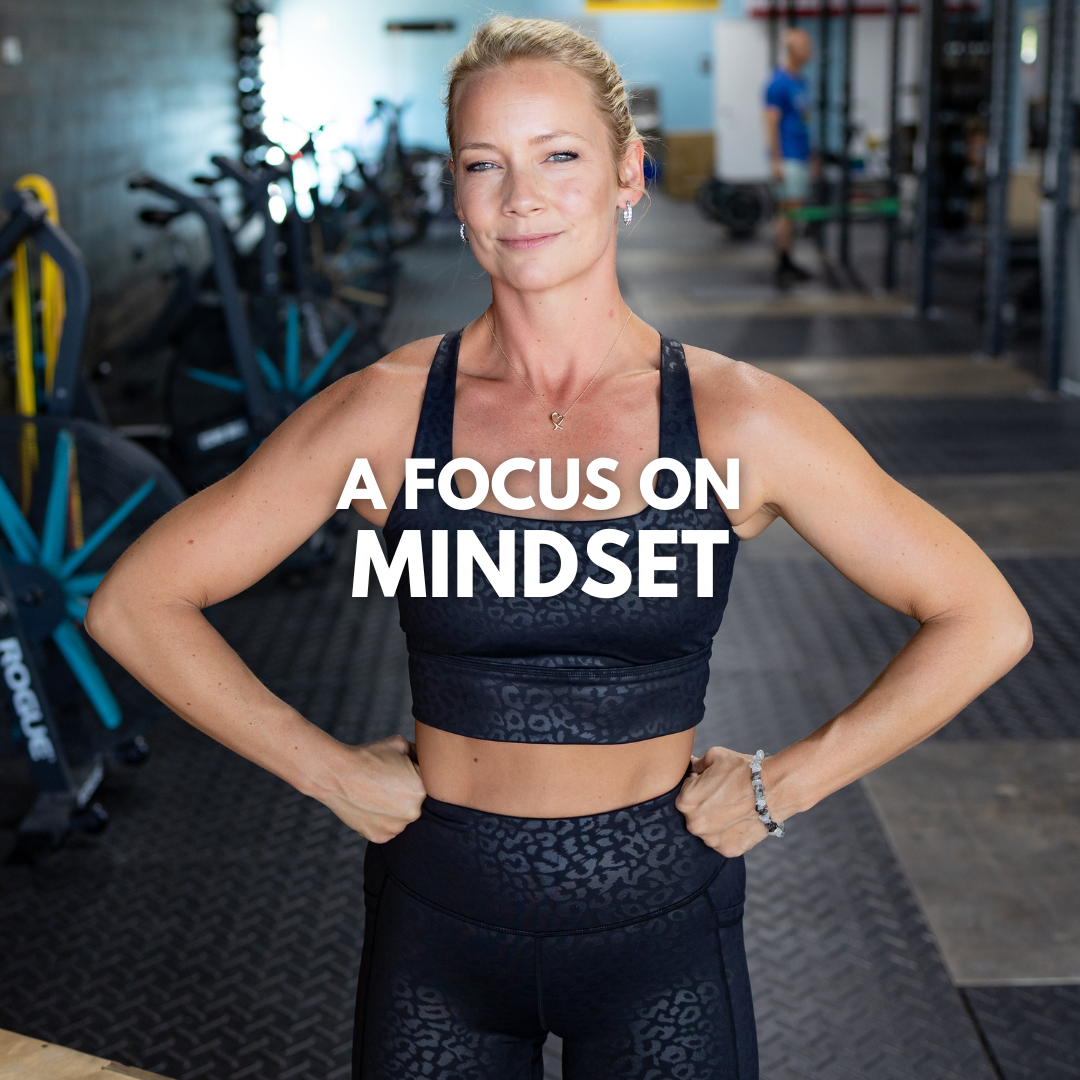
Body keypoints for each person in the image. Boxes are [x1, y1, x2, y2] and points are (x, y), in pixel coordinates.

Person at [86, 16, 1031, 1080]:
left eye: (560, 155)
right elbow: (137, 602)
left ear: (630, 173)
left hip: (665, 928)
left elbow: (982, 617)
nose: (521, 197)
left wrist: (790, 783)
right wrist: (323, 771)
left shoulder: (737, 419)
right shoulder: (385, 415)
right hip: (438, 925)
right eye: (484, 163)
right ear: (456, 194)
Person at [765, 28, 815, 285]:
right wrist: (776, 161)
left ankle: (788, 260)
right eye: (805, 46)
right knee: (788, 212)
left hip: (800, 155)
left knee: (793, 212)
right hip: (788, 158)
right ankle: (782, 264)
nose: (810, 51)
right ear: (793, 51)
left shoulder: (800, 81)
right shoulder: (778, 83)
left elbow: (804, 121)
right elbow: (771, 123)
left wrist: (812, 155)